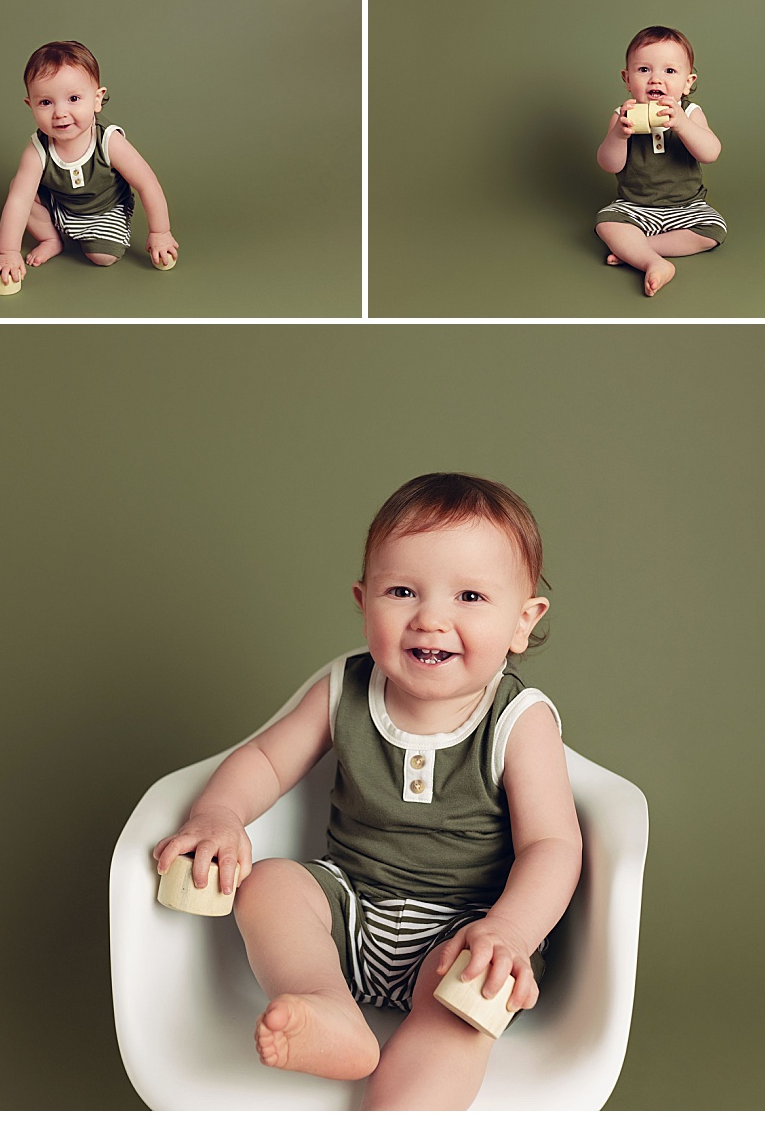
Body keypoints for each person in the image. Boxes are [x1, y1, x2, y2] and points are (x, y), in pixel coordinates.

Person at [153, 472, 582, 1109]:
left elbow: (552, 843)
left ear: (523, 621)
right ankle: (330, 1009)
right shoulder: (344, 687)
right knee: (270, 884)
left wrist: (510, 934)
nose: (431, 618)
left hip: (464, 935)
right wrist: (220, 814)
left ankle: (404, 1103)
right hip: (349, 909)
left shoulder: (520, 722)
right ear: (364, 601)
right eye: (402, 591)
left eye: (469, 596)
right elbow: (267, 761)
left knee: (463, 1010)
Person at [0, 41, 178, 287]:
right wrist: (8, 253)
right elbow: (18, 202)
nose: (60, 113)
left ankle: (97, 236)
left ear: (97, 100)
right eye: (46, 102)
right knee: (20, 189)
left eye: (74, 98)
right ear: (31, 106)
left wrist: (160, 233)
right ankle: (51, 239)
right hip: (61, 205)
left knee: (103, 257)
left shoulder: (108, 141)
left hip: (104, 209)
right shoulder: (37, 150)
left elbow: (147, 184)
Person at [595, 25, 725, 297]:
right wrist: (619, 134)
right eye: (644, 70)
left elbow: (710, 152)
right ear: (627, 79)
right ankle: (653, 262)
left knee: (713, 230)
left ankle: (635, 249)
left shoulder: (690, 113)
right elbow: (610, 164)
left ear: (687, 82)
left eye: (669, 71)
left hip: (687, 205)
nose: (656, 79)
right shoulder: (623, 114)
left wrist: (682, 125)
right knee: (606, 222)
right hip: (635, 207)